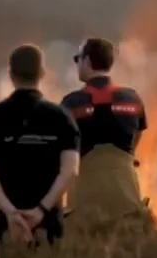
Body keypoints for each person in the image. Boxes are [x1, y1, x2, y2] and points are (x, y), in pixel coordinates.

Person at [0, 44, 80, 253]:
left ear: (11, 75)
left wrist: (10, 212)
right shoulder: (62, 117)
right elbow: (70, 169)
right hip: (49, 221)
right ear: (42, 74)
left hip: (5, 223)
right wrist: (41, 210)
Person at [60, 37, 150, 232]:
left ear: (87, 61)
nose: (77, 64)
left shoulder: (71, 103)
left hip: (84, 203)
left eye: (78, 58)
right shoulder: (133, 99)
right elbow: (138, 135)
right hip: (127, 200)